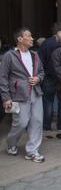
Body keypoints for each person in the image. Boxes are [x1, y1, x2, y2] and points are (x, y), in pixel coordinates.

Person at [0, 27, 45, 163]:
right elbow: (3, 77)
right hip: (19, 94)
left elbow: (42, 72)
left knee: (37, 121)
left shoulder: (35, 55)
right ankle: (11, 143)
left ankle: (32, 151)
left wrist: (38, 78)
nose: (32, 38)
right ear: (20, 39)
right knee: (21, 122)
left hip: (36, 93)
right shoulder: (9, 56)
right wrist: (6, 98)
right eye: (29, 36)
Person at [38, 22, 61, 131]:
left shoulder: (46, 43)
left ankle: (46, 125)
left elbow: (40, 61)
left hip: (48, 76)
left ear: (53, 31)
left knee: (48, 101)